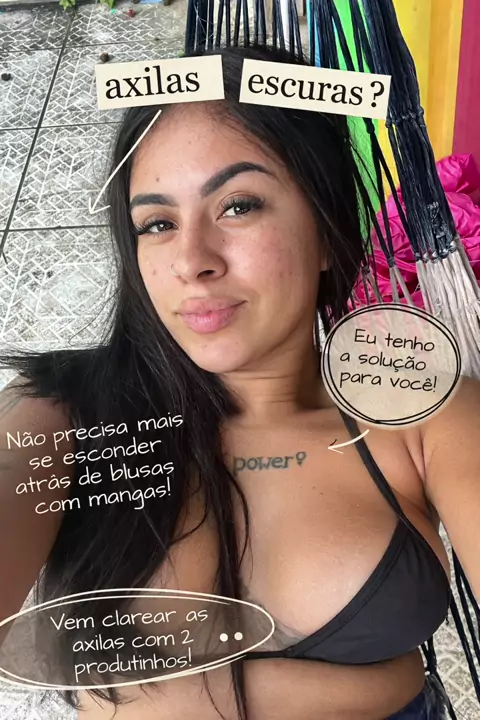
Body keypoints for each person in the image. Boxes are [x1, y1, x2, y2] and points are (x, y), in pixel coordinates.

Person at [1, 43, 479, 720]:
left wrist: (144, 702)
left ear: (326, 230)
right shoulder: (57, 414)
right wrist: (380, 683)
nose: (191, 261)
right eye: (158, 223)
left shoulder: (418, 408)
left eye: (238, 206)